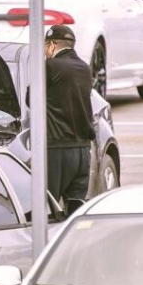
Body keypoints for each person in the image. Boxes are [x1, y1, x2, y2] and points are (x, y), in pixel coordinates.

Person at [44, 24, 95, 216]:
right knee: (76, 208)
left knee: (45, 209)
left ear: (52, 44)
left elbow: (30, 99)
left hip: (56, 148)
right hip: (82, 149)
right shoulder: (84, 68)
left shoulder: (50, 66)